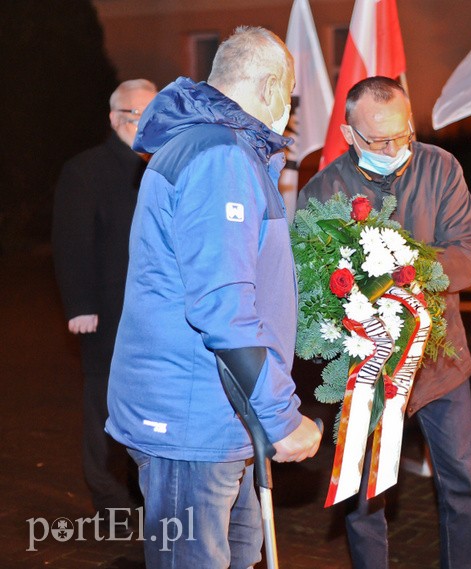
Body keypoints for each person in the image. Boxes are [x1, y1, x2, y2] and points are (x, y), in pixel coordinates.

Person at [105, 26, 321, 567]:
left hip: (217, 414)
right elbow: (222, 305)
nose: (289, 108)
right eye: (289, 93)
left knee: (237, 554)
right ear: (271, 87)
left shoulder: (218, 148)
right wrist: (282, 416)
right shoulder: (217, 157)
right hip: (192, 418)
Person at [298, 76, 471, 569]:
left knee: (462, 487)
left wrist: (410, 274)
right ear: (348, 134)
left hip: (440, 361)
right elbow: (312, 283)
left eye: (401, 133)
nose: (392, 147)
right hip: (366, 369)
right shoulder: (324, 190)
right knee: (363, 497)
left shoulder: (440, 167)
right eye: (377, 140)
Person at [52, 79, 157, 523]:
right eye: (133, 114)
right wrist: (79, 306)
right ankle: (109, 497)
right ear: (114, 118)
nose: (142, 122)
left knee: (146, 403)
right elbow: (71, 242)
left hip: (153, 313)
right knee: (104, 406)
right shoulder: (86, 169)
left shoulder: (162, 164)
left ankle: (143, 492)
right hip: (106, 313)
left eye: (150, 113)